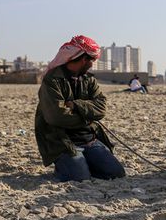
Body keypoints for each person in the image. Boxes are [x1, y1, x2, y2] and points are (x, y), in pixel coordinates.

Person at [34, 35, 125, 182]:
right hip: (63, 141)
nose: (92, 63)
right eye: (91, 60)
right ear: (83, 59)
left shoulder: (89, 80)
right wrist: (88, 117)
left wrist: (77, 105)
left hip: (89, 139)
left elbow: (101, 107)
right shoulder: (52, 81)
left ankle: (84, 162)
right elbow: (57, 117)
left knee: (116, 173)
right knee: (80, 177)